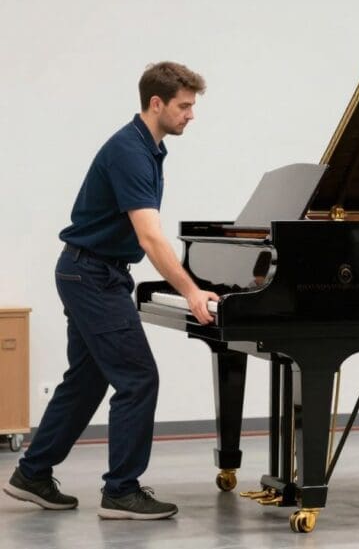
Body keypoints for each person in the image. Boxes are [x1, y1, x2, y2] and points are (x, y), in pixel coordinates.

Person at [2, 62, 220, 520]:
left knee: (86, 380)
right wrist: (192, 291)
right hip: (91, 276)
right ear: (156, 103)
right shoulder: (130, 152)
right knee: (138, 379)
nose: (191, 115)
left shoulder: (149, 149)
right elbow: (151, 237)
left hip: (91, 272)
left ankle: (32, 473)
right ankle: (121, 490)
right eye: (184, 106)